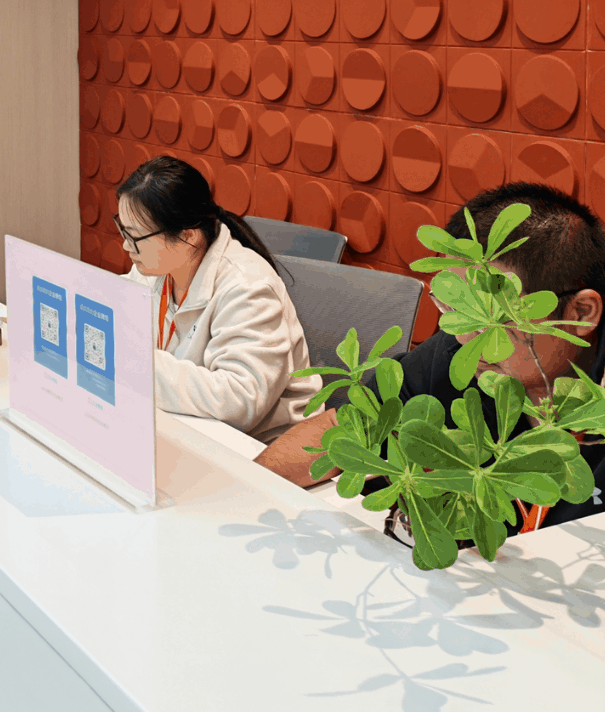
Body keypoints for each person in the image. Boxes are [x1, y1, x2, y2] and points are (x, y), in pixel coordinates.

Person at [256, 182, 604, 529]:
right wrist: (246, 496)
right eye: (455, 307)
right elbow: (341, 429)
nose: (466, 336)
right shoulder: (458, 350)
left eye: (494, 316)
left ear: (580, 313)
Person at [116, 156, 319, 442]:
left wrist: (138, 363)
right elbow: (118, 311)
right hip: (191, 426)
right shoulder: (157, 267)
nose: (126, 245)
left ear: (188, 235)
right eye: (123, 230)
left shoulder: (248, 287)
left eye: (135, 237)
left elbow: (240, 401)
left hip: (261, 445)